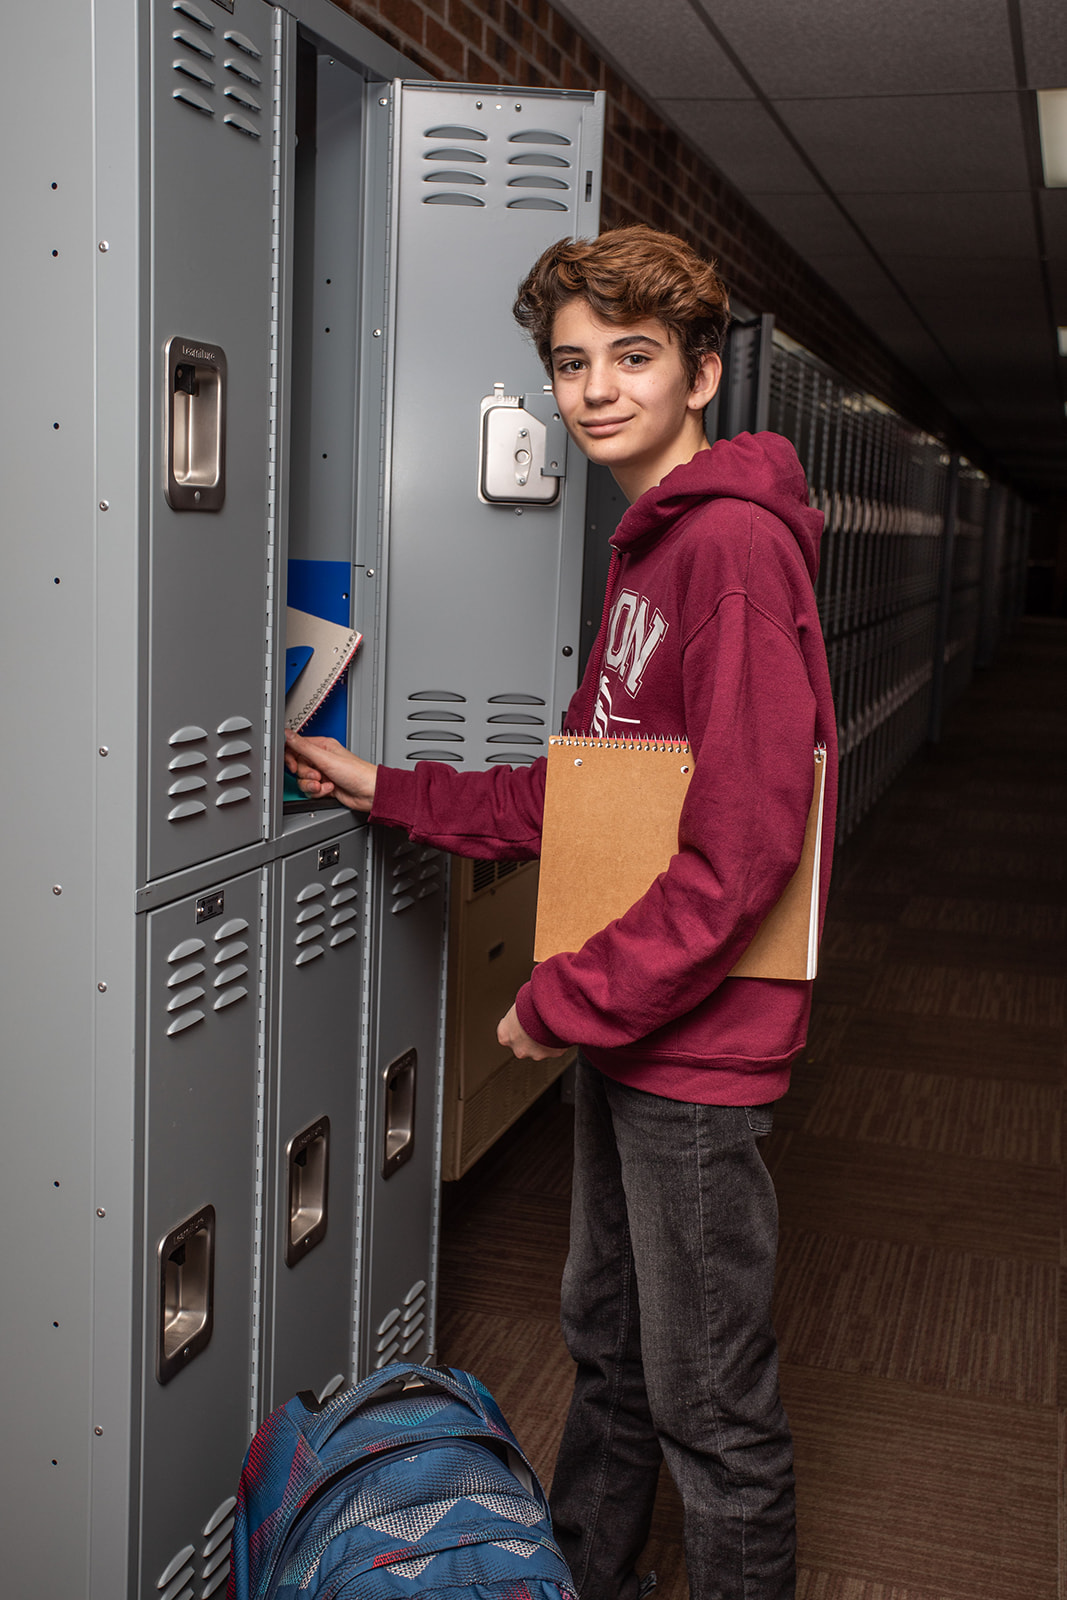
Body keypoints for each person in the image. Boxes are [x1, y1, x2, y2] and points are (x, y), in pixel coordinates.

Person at [285, 224, 837, 1600]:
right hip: (640, 1021)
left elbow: (747, 842)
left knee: (713, 1407)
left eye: (632, 359)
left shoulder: (731, 555)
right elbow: (593, 797)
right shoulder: (649, 550)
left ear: (702, 374)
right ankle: (578, 1578)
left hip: (693, 1049)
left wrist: (563, 995)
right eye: (573, 363)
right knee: (609, 1340)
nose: (595, 390)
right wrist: (392, 787)